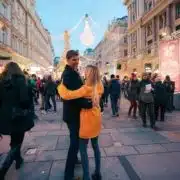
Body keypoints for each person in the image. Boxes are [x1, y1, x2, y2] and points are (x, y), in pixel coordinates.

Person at [58, 65, 103, 180]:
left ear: (89, 74)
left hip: (86, 120)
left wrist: (60, 86)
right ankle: (98, 172)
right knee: (96, 146)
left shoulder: (85, 88)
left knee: (83, 149)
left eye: (86, 72)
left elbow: (67, 95)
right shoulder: (100, 86)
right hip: (96, 117)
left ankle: (86, 176)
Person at [60, 50, 93, 180]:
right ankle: (68, 173)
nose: (77, 61)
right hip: (73, 114)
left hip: (73, 113)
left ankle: (74, 160)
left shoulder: (73, 72)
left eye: (78, 59)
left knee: (75, 140)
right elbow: (74, 97)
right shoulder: (69, 74)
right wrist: (88, 104)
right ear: (67, 60)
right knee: (74, 143)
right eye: (74, 59)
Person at [0, 62, 34, 180]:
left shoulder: (1, 81)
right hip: (18, 116)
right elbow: (24, 100)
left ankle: (18, 159)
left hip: (5, 117)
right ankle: (3, 169)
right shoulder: (20, 80)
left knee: (15, 140)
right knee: (17, 141)